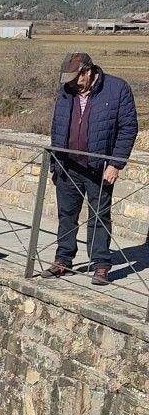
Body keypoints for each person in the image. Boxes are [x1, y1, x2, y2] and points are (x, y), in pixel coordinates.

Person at [45, 52, 139, 288]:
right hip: (68, 165)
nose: (71, 84)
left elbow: (128, 128)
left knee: (99, 217)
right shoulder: (66, 91)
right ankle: (63, 259)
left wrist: (116, 163)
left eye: (75, 79)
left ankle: (100, 264)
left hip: (99, 168)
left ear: (87, 72)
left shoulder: (117, 89)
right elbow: (57, 126)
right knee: (66, 214)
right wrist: (55, 163)